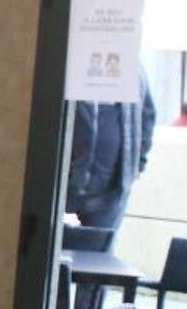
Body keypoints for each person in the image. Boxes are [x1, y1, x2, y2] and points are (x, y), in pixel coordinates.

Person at [65, 69, 155, 233]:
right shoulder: (71, 63)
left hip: (111, 191)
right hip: (64, 187)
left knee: (98, 254)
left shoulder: (133, 68)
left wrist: (138, 163)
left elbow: (147, 116)